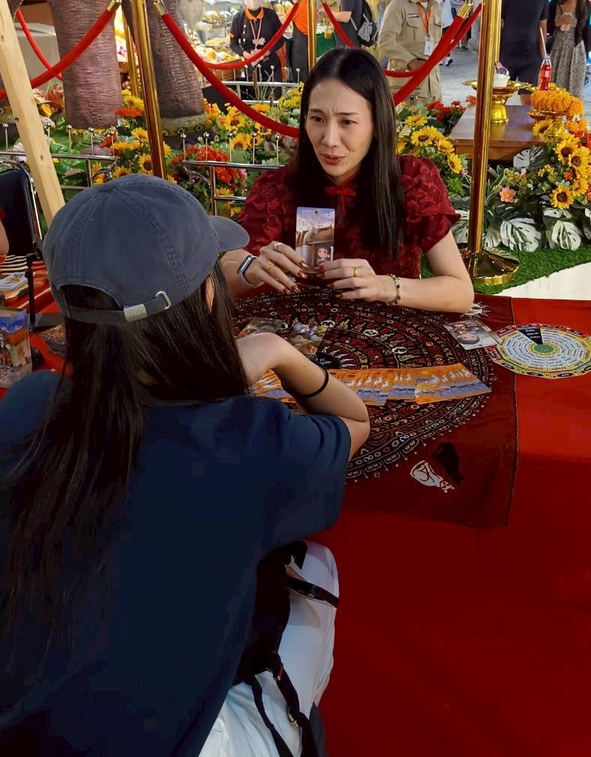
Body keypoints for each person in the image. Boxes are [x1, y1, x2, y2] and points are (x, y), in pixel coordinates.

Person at [0, 174, 370, 755]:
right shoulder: (251, 441)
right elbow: (354, 422)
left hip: (26, 731)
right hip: (174, 744)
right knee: (317, 569)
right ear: (208, 297)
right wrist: (277, 350)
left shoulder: (29, 404)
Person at [223, 48, 474, 314]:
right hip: (299, 332)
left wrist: (383, 286)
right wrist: (249, 269)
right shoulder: (278, 187)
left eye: (346, 122)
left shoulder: (410, 180)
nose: (329, 139)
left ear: (376, 124)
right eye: (317, 119)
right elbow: (224, 274)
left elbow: (460, 291)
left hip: (391, 329)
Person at [378, 0, 444, 105]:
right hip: (407, 84)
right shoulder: (399, 5)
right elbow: (385, 41)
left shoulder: (436, 7)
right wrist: (411, 61)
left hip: (432, 84)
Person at [499, 0, 549, 104]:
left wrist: (543, 57)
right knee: (499, 99)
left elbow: (542, 26)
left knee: (527, 100)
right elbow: (497, 23)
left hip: (531, 57)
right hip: (506, 55)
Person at [548, 0, 591, 99]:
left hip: (576, 49)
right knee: (556, 90)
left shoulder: (585, 4)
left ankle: (573, 113)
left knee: (574, 91)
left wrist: (586, 56)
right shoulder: (555, 3)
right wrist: (557, 22)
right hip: (558, 48)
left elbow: (586, 31)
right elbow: (546, 27)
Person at [229, 0, 284, 85]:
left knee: (275, 93)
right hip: (250, 66)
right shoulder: (238, 18)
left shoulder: (271, 15)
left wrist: (266, 52)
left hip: (271, 65)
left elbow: (280, 40)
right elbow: (233, 44)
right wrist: (245, 54)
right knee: (253, 94)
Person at [286, 0, 310, 83]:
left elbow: (284, 20)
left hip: (300, 46)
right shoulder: (309, 4)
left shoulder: (298, 7)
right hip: (309, 42)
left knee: (300, 73)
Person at [433, 0, 455, 66]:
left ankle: (448, 57)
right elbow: (439, 6)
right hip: (439, 21)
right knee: (440, 41)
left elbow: (453, 3)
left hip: (449, 20)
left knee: (447, 40)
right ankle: (440, 58)